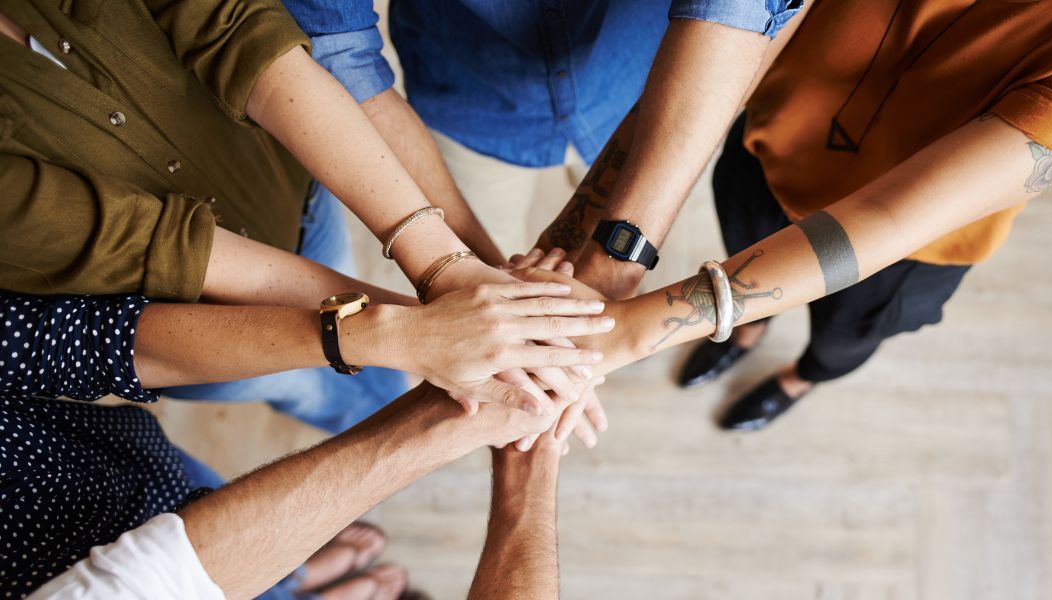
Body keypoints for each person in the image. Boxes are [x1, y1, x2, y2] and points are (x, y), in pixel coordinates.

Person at [509, 0, 1052, 432]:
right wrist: (607, 266)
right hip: (769, 147)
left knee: (843, 338)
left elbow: (892, 216)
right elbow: (743, 26)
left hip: (910, 251)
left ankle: (799, 377)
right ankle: (744, 336)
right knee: (741, 250)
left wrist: (628, 331)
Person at [0, 1, 589, 432]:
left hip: (287, 189)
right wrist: (442, 326)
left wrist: (453, 285)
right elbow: (148, 243)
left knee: (406, 348)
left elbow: (239, 31)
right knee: (313, 390)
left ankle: (409, 396)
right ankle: (375, 416)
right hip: (197, 322)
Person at [0, 292, 580, 598]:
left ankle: (296, 584)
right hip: (141, 492)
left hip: (99, 481)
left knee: (190, 501)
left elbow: (154, 579)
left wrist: (395, 339)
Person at [279, 0, 806, 275]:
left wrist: (614, 268)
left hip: (647, 86)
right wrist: (479, 276)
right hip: (471, 105)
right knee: (487, 232)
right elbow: (340, 50)